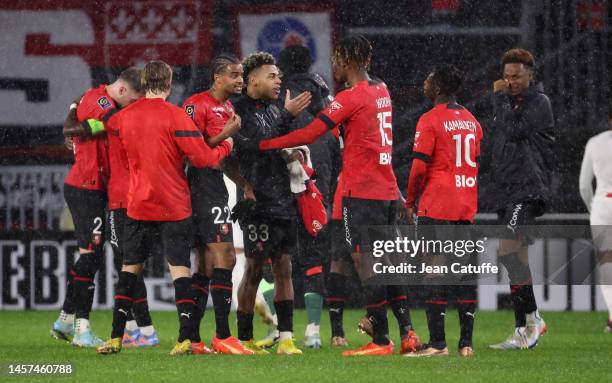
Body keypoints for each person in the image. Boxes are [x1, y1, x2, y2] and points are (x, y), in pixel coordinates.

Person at [254, 35, 404, 356]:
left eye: (337, 59)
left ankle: (380, 340)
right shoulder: (381, 90)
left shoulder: (349, 97)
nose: (334, 65)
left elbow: (311, 133)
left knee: (357, 261)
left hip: (359, 190)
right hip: (381, 187)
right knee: (369, 261)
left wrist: (266, 144)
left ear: (347, 61)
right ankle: (405, 332)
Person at [95, 60, 233, 355]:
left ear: (143, 84)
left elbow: (118, 158)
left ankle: (116, 337)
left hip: (138, 204)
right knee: (180, 271)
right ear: (169, 84)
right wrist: (227, 145)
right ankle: (185, 338)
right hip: (174, 205)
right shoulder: (176, 117)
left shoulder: (122, 119)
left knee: (129, 270)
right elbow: (203, 160)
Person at [62, 68, 160, 349]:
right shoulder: (106, 106)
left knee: (108, 259)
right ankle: (81, 326)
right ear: (121, 92)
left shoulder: (99, 96)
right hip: (89, 188)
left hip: (100, 189)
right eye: (132, 102)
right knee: (98, 258)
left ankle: (68, 319)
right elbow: (111, 123)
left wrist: (75, 114)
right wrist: (81, 127)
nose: (131, 109)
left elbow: (81, 110)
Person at [254, 44, 339, 350]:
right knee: (314, 261)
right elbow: (337, 142)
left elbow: (264, 143)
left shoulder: (276, 96)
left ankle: (279, 327)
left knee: (271, 261)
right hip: (317, 187)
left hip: (281, 190)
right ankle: (313, 332)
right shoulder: (324, 95)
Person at [231, 51, 311, 355]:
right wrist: (286, 116)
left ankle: (286, 337)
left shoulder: (276, 108)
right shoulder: (238, 111)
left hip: (283, 199)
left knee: (284, 267)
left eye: (279, 75)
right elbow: (256, 147)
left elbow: (281, 144)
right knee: (253, 270)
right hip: (256, 201)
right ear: (253, 80)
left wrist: (294, 155)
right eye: (271, 76)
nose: (278, 80)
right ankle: (245, 338)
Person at [404, 65, 483, 358]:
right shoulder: (473, 121)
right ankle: (466, 344)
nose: (424, 82)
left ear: (437, 87)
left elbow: (418, 169)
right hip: (465, 206)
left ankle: (438, 343)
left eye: (427, 78)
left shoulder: (430, 120)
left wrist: (410, 201)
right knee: (463, 275)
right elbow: (476, 162)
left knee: (434, 272)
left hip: (437, 205)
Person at [181, 54, 254, 355]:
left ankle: (192, 338)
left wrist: (244, 185)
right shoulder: (195, 105)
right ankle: (223, 336)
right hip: (200, 186)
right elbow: (191, 152)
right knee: (227, 258)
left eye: (241, 75)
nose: (240, 80)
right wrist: (226, 134)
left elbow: (224, 158)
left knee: (208, 265)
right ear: (217, 77)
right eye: (235, 75)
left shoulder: (227, 107)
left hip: (215, 187)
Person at [488, 48, 552, 350]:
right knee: (516, 258)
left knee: (507, 253)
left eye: (517, 76)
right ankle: (523, 327)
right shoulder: (509, 104)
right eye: (507, 76)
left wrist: (499, 98)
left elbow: (512, 132)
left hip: (527, 187)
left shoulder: (538, 102)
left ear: (530, 75)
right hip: (507, 189)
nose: (510, 81)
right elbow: (501, 140)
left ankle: (533, 319)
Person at [579, 106, 612, 332]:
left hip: (603, 203)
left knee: (607, 261)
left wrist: (593, 207)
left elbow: (583, 185)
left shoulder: (595, 142)